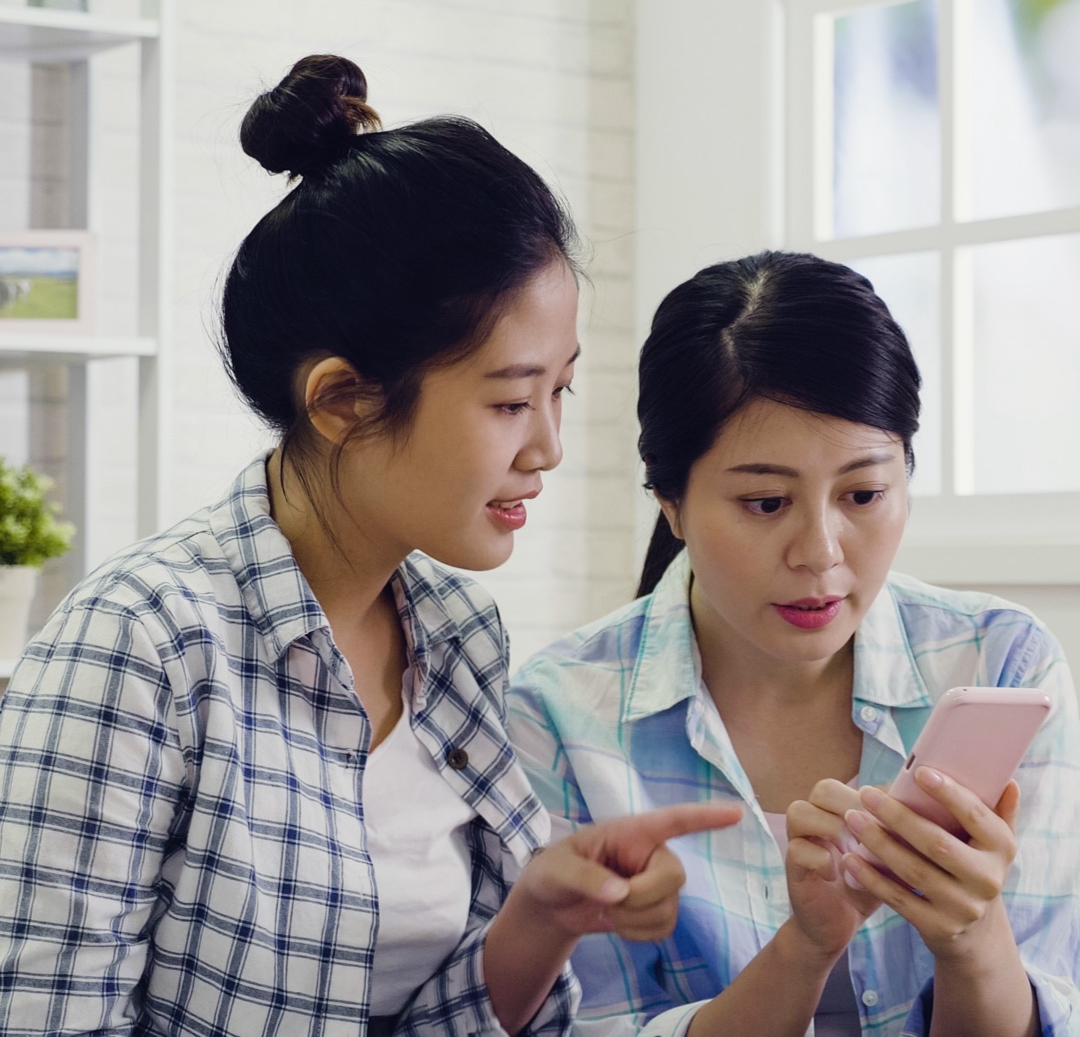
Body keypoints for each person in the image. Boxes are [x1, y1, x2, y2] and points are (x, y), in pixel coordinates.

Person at [0, 55, 740, 1037]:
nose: (549, 447)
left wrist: (545, 915)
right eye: (511, 400)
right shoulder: (137, 652)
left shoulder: (461, 634)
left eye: (559, 391)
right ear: (343, 400)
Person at [508, 250, 1080, 1037]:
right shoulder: (562, 712)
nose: (820, 550)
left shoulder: (1004, 664)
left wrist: (971, 938)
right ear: (670, 500)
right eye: (766, 501)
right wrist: (805, 950)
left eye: (865, 494)